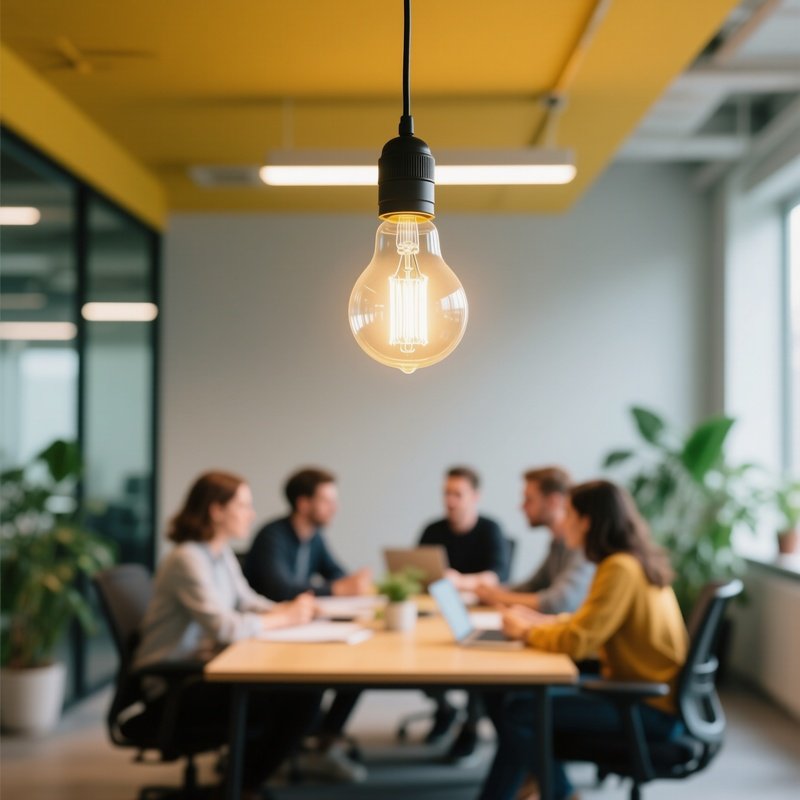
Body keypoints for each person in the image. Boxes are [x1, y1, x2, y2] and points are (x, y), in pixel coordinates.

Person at [477, 480, 689, 800]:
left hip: (645, 706)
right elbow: (588, 625)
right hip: (641, 693)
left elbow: (578, 640)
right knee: (516, 700)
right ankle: (552, 788)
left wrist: (526, 632)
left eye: (569, 513)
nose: (563, 521)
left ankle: (559, 792)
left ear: (586, 521)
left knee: (520, 709)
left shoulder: (619, 567)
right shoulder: (627, 560)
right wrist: (539, 621)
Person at [133, 471, 321, 800]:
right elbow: (225, 627)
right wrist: (286, 618)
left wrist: (292, 609)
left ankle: (241, 782)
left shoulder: (219, 554)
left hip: (205, 671)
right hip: (177, 686)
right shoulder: (187, 559)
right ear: (216, 510)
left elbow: (248, 603)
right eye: (243, 506)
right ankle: (241, 786)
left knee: (300, 693)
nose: (251, 514)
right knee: (300, 696)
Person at [243, 467, 371, 782]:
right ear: (303, 504)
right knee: (308, 695)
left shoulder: (314, 538)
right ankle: (261, 769)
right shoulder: (272, 536)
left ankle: (324, 742)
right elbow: (278, 589)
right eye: (327, 500)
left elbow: (338, 574)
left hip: (289, 629)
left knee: (358, 669)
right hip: (259, 641)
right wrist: (337, 590)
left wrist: (350, 584)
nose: (335, 508)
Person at [417, 465, 510, 761]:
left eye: (457, 493)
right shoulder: (433, 530)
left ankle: (470, 726)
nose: (450, 500)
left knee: (477, 666)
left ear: (475, 496)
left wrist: (460, 581)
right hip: (437, 611)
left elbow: (498, 576)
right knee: (415, 658)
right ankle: (445, 709)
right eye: (446, 493)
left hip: (477, 612)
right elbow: (416, 572)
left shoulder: (490, 529)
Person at [475, 467, 595, 614]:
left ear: (553, 501)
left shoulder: (580, 545)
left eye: (529, 499)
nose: (522, 506)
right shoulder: (557, 543)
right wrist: (494, 592)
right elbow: (534, 585)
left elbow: (559, 602)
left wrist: (498, 597)